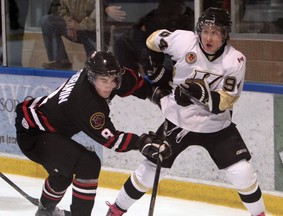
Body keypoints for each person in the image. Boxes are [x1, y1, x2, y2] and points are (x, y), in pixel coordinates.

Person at [106, 7, 268, 216]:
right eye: (205, 31)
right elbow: (153, 39)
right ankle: (116, 211)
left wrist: (199, 93)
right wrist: (156, 68)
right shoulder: (183, 41)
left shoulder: (235, 60)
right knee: (150, 169)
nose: (208, 38)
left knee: (242, 173)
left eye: (215, 33)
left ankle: (260, 214)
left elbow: (225, 101)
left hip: (216, 125)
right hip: (178, 120)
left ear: (225, 35)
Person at [14, 51, 172, 216]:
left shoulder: (109, 74)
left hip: (45, 124)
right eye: (104, 81)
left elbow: (134, 83)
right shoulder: (85, 103)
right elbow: (113, 140)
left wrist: (156, 94)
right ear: (91, 78)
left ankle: (45, 211)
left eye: (113, 80)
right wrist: (141, 142)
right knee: (87, 164)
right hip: (34, 133)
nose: (109, 85)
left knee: (63, 172)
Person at [112, 0, 194, 76]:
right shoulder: (152, 19)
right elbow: (139, 38)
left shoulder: (188, 16)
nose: (173, 15)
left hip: (177, 56)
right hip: (153, 55)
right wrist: (147, 64)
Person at [40, 0, 126, 70]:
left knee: (96, 68)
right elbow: (60, 8)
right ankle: (61, 62)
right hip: (75, 28)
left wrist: (79, 26)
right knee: (47, 21)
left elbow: (100, 13)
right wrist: (68, 23)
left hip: (95, 32)